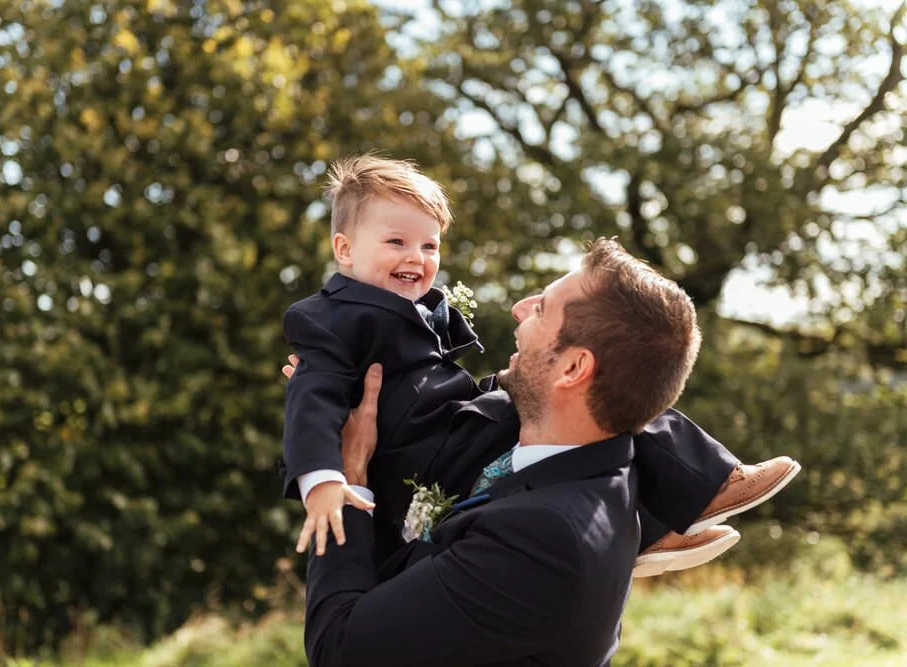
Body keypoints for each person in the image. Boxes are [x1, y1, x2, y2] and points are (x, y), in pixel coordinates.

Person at [280, 155, 800, 572]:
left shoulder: (406, 301)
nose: (416, 257)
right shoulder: (327, 319)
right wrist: (323, 481)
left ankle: (671, 509)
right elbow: (311, 400)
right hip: (420, 448)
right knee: (561, 389)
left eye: (429, 245)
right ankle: (689, 497)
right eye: (396, 242)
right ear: (344, 250)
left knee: (597, 387)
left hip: (452, 418)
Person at [301, 239, 737, 666]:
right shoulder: (586, 456)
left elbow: (340, 649)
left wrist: (349, 481)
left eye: (542, 308)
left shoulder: (544, 539)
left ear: (573, 368)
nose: (520, 308)